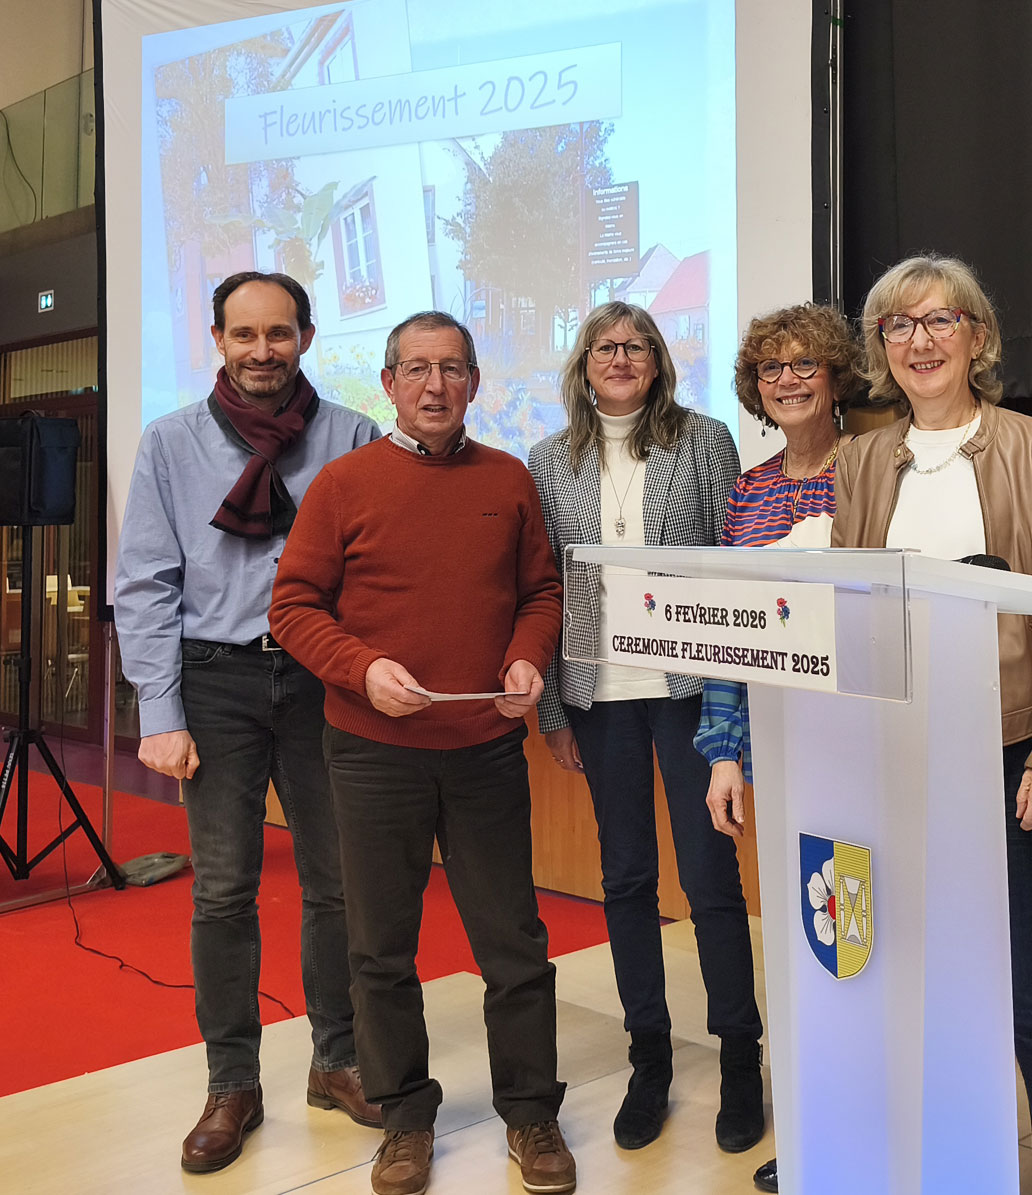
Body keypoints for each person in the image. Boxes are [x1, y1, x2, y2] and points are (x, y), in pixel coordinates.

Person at [831, 254, 1032, 1194]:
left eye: (940, 320)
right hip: (899, 757)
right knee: (918, 982)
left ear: (978, 336)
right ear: (881, 346)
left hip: (1013, 752)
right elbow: (848, 610)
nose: (919, 340)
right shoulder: (859, 460)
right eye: (898, 324)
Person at [269, 311, 575, 1195]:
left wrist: (527, 655)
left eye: (451, 369)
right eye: (416, 369)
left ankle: (531, 1113)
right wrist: (362, 670)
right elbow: (292, 607)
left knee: (514, 943)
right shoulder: (343, 483)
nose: (435, 385)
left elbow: (541, 591)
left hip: (485, 750)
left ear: (474, 383)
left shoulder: (509, 479)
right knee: (379, 950)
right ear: (390, 383)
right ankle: (404, 1119)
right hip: (373, 753)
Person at [114, 271, 382, 1174]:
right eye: (244, 334)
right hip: (214, 680)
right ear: (218, 340)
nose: (262, 350)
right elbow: (145, 581)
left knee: (336, 883)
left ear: (305, 335)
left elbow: (376, 573)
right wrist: (160, 710)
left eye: (279, 332)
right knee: (223, 891)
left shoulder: (353, 437)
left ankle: (337, 1059)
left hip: (321, 679)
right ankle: (232, 1082)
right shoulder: (170, 441)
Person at [528, 301, 764, 1156]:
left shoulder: (702, 442)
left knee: (709, 878)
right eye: (605, 345)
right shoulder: (549, 459)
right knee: (625, 879)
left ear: (658, 361)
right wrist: (553, 710)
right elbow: (544, 588)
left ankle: (740, 1058)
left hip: (687, 690)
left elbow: (732, 572)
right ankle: (650, 1059)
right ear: (584, 363)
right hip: (600, 696)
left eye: (636, 346)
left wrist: (735, 717)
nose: (620, 357)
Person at [694, 302, 858, 1194]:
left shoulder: (871, 469)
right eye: (770, 368)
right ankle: (812, 1128)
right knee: (800, 941)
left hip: (860, 749)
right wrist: (724, 752)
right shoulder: (747, 491)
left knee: (856, 943)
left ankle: (865, 1125)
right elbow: (730, 631)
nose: (787, 380)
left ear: (836, 377)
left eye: (805, 365)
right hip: (777, 754)